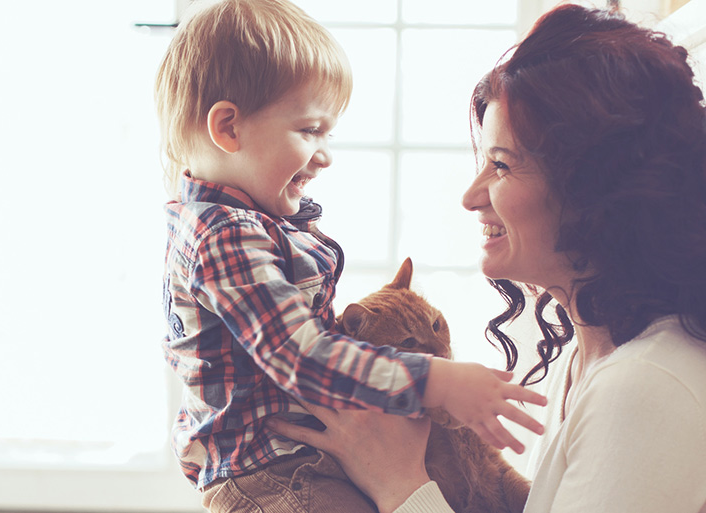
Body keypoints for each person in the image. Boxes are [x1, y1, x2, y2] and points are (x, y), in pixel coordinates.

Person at [267, 4, 706, 512]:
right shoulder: (584, 356)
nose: (470, 197)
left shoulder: (646, 385)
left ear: (593, 188)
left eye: (500, 165)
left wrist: (398, 483)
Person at [155, 0, 546, 510]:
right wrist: (434, 380)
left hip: (294, 464)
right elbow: (302, 355)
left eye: (328, 133)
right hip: (274, 476)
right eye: (309, 130)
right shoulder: (224, 235)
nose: (325, 156)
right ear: (229, 128)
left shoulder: (247, 225)